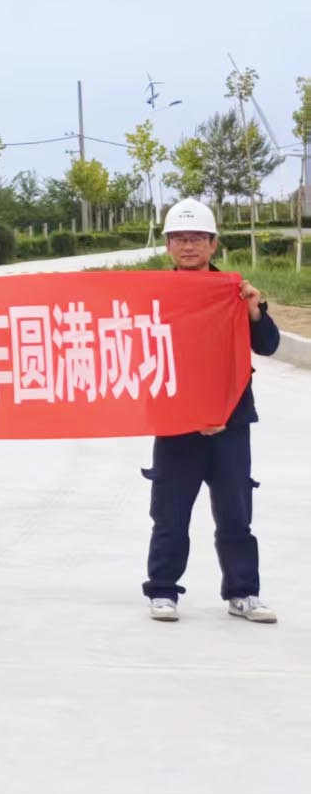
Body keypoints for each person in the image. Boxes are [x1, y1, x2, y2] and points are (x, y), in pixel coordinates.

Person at [142, 199, 280, 623]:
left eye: (197, 238)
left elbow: (268, 345)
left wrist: (253, 308)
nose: (188, 246)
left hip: (230, 423)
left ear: (213, 244)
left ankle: (243, 593)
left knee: (236, 515)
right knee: (170, 515)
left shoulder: (234, 293)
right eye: (180, 239)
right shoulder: (153, 296)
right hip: (176, 423)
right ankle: (163, 591)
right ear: (168, 245)